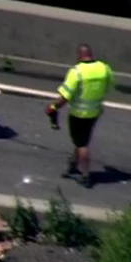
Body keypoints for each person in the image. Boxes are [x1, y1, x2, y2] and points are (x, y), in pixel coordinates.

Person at [46, 44, 114, 188]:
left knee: (82, 144)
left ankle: (85, 176)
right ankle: (73, 164)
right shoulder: (104, 68)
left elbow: (65, 97)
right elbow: (109, 86)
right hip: (95, 112)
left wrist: (53, 107)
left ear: (79, 55)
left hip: (78, 114)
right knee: (81, 139)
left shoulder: (76, 72)